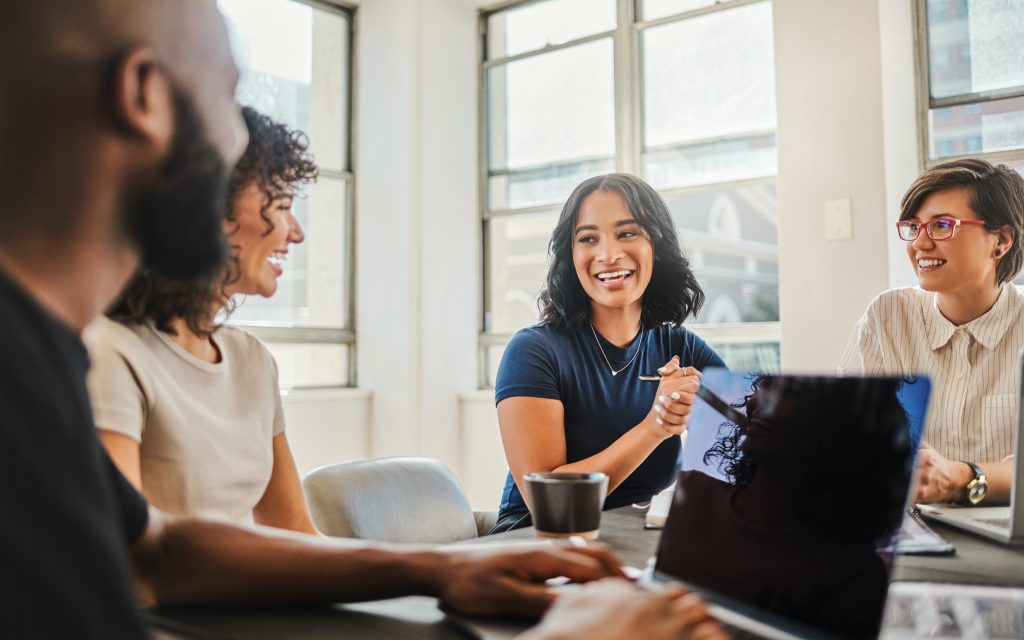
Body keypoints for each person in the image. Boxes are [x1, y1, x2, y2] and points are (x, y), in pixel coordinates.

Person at [0, 1, 724, 638]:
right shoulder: (57, 369)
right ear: (146, 96)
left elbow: (155, 549)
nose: (241, 144)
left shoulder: (45, 353)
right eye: (227, 97)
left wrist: (437, 573)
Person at [86, 106, 319, 533]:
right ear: (214, 205)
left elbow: (297, 531)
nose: (296, 232)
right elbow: (135, 555)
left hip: (253, 600)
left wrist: (415, 576)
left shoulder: (253, 360)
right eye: (282, 204)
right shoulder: (111, 352)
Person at [493, 173, 725, 532]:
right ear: (571, 256)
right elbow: (549, 501)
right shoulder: (533, 351)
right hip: (539, 540)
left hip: (636, 537)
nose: (608, 254)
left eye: (627, 233)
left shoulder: (681, 347)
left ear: (657, 247)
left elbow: (756, 438)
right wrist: (657, 426)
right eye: (588, 238)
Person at [659, 375, 913, 639]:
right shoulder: (691, 491)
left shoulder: (853, 576)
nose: (760, 400)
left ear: (841, 429)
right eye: (767, 385)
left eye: (791, 392)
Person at [839, 159, 1024, 505]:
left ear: (1001, 240)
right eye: (913, 226)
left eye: (942, 225)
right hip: (904, 530)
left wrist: (960, 478)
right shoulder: (887, 317)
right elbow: (847, 433)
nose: (919, 244)